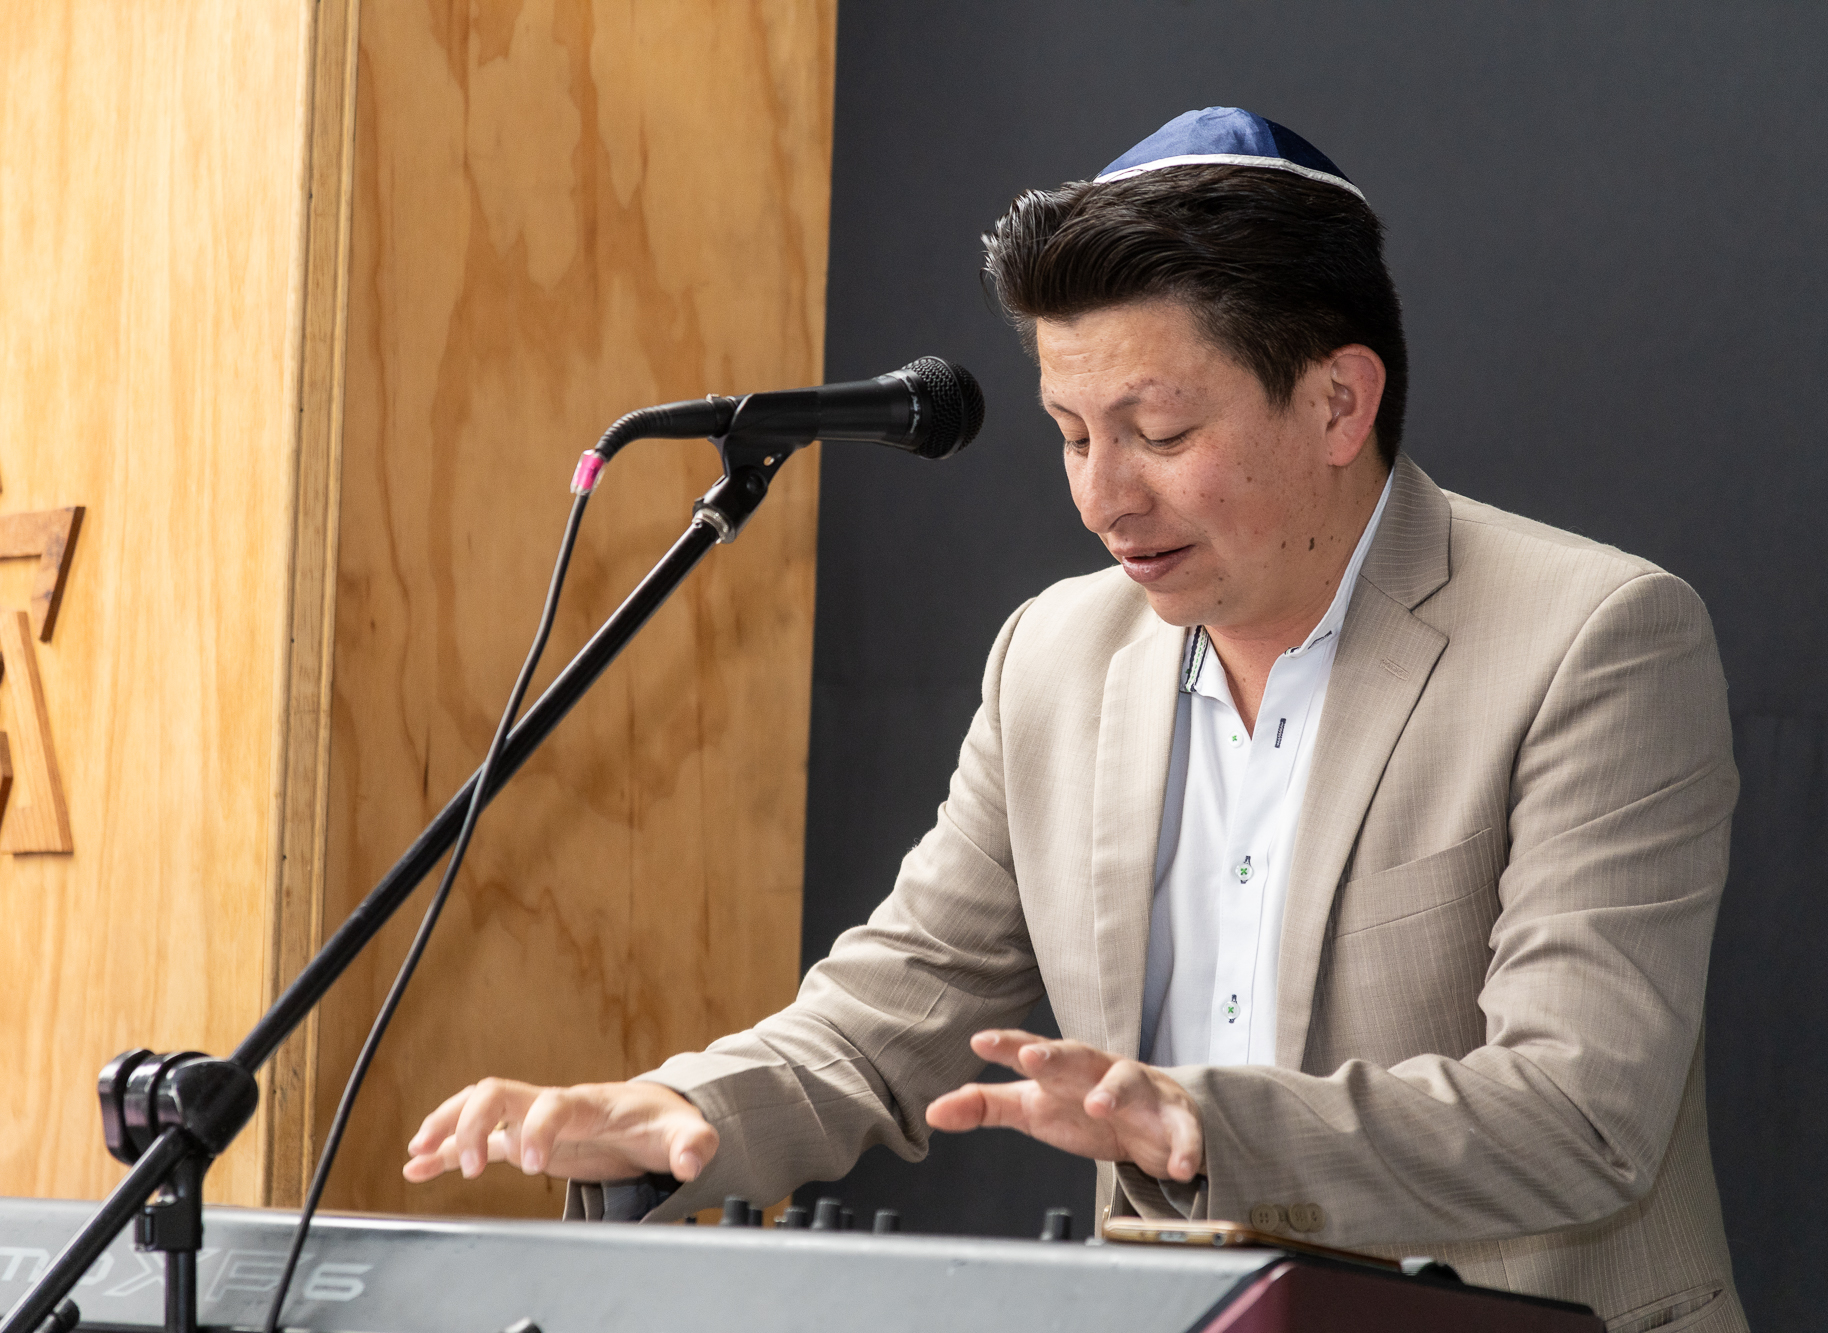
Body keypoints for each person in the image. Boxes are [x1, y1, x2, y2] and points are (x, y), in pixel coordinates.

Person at [405, 108, 1746, 1332]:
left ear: (1339, 402)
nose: (1103, 497)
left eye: (1158, 431)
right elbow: (897, 1005)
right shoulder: (1055, 655)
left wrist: (1194, 1122)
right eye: (1068, 432)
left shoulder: (1591, 639)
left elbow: (1582, 1112)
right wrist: (677, 1106)